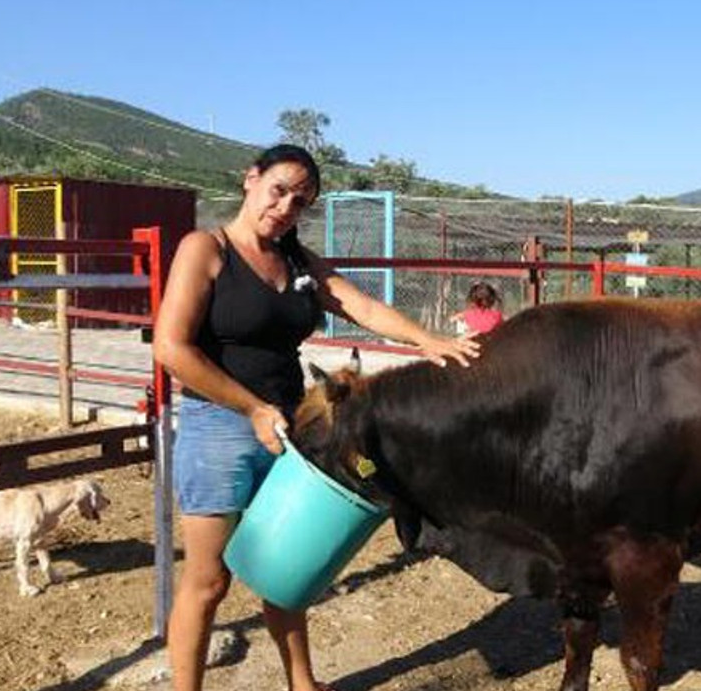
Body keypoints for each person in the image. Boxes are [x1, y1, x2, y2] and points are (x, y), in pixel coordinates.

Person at [153, 144, 479, 691]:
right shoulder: (205, 249)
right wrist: (251, 407)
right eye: (278, 191)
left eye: (300, 202)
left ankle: (302, 684)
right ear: (250, 180)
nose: (285, 208)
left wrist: (428, 341)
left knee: (287, 569)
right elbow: (172, 347)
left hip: (289, 435)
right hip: (220, 429)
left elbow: (363, 308)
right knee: (209, 582)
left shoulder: (298, 263)